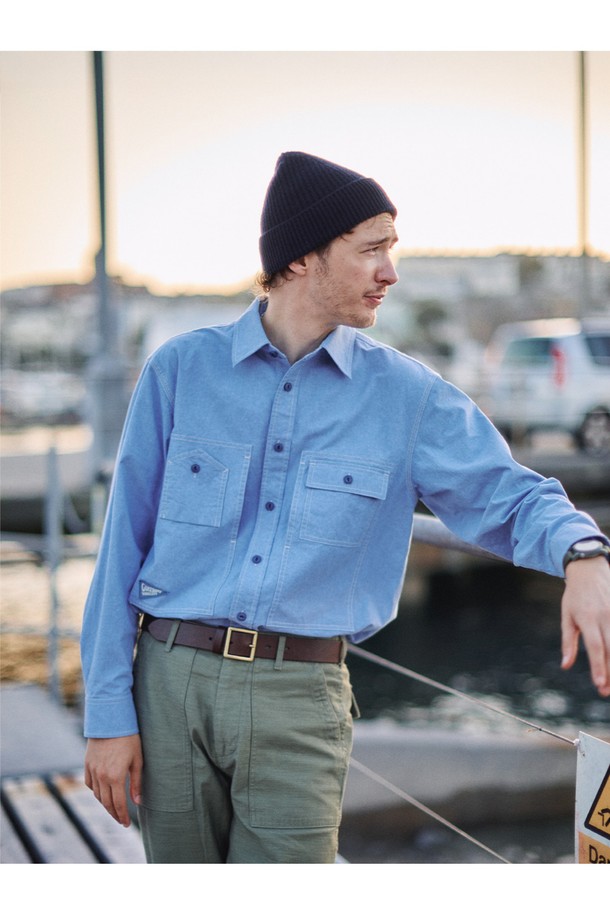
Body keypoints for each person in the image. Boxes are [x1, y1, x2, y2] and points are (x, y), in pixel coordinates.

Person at [81, 151, 610, 864]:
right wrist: (107, 714)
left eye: (391, 249)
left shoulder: (408, 397)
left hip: (300, 700)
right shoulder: (179, 371)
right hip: (167, 685)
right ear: (301, 257)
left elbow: (508, 496)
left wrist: (583, 553)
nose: (390, 272)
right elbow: (121, 550)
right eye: (371, 250)